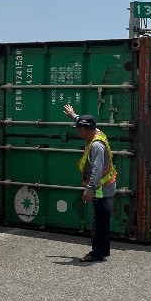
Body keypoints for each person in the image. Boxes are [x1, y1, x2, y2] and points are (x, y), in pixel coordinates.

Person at [63, 103, 118, 262]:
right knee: (103, 221)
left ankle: (97, 253)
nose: (78, 132)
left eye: (79, 129)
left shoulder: (96, 146)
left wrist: (89, 190)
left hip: (101, 189)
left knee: (99, 222)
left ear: (85, 130)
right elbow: (84, 121)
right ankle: (104, 250)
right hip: (107, 186)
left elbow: (97, 170)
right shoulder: (98, 133)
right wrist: (74, 116)